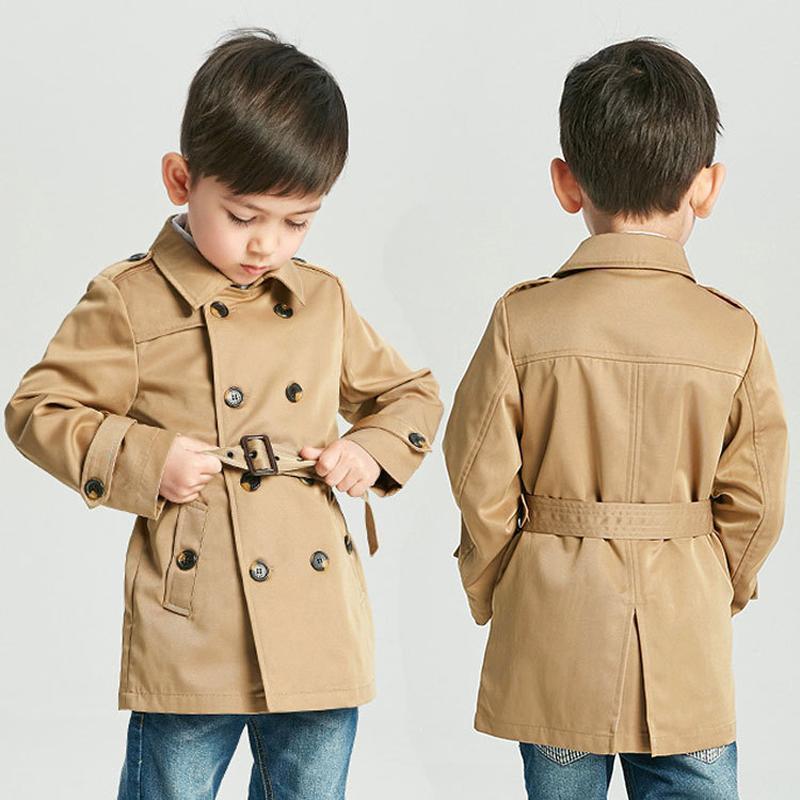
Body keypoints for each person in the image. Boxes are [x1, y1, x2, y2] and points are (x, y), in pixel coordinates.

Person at [4, 27, 442, 800]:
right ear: (181, 180)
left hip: (315, 616)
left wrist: (370, 450)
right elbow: (37, 408)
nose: (267, 244)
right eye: (243, 216)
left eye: (297, 221)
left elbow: (411, 394)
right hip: (194, 614)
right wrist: (148, 460)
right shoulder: (129, 299)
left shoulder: (320, 299)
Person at [442, 36, 788, 800]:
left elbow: (476, 473)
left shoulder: (522, 321)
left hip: (553, 627)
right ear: (706, 187)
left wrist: (498, 583)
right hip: (685, 636)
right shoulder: (732, 332)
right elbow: (758, 503)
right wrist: (714, 585)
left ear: (566, 183)